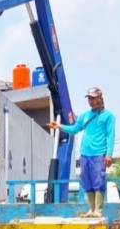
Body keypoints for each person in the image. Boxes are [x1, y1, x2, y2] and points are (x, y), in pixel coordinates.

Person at [49, 87, 115, 217]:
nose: (91, 101)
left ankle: (98, 210)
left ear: (100, 98)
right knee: (86, 180)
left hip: (99, 153)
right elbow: (75, 129)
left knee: (98, 180)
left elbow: (110, 135)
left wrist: (109, 155)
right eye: (89, 98)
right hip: (85, 154)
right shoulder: (85, 116)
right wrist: (59, 126)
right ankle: (91, 209)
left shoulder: (108, 116)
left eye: (93, 98)